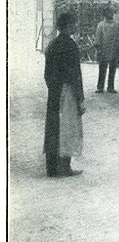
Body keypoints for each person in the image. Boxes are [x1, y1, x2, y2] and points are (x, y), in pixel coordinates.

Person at [44, 12, 85, 177]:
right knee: (68, 128)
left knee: (53, 127)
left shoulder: (52, 45)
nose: (75, 26)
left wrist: (54, 89)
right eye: (74, 24)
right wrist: (80, 98)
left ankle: (52, 168)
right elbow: (75, 74)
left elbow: (47, 74)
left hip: (55, 91)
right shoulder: (70, 45)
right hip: (68, 91)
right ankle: (65, 167)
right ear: (68, 26)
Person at [94, 8, 119, 94]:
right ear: (105, 14)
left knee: (113, 69)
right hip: (104, 50)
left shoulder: (117, 24)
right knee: (102, 69)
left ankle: (110, 87)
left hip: (114, 50)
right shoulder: (101, 25)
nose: (111, 14)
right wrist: (98, 49)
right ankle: (100, 87)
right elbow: (97, 38)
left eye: (112, 12)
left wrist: (118, 49)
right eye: (109, 12)